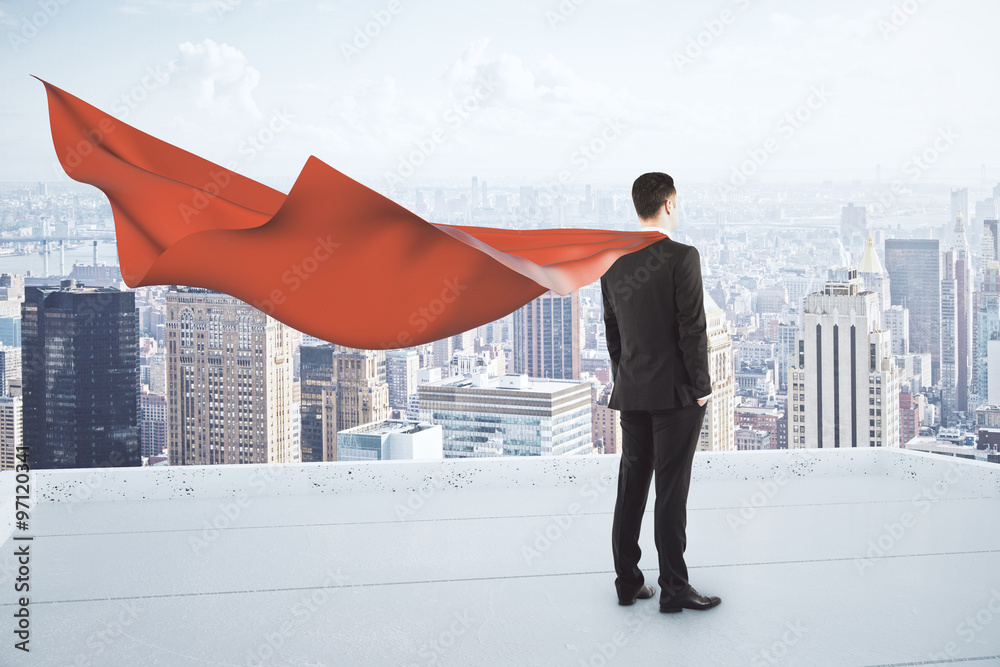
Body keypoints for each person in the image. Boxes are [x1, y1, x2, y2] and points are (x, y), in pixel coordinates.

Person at [600, 172, 721, 614]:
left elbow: (613, 334)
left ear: (638, 206)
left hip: (632, 390)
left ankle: (628, 583)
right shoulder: (682, 256)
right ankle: (673, 587)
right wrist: (702, 387)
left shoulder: (612, 261)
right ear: (669, 204)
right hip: (675, 396)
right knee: (671, 491)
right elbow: (693, 328)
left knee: (631, 487)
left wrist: (625, 377)